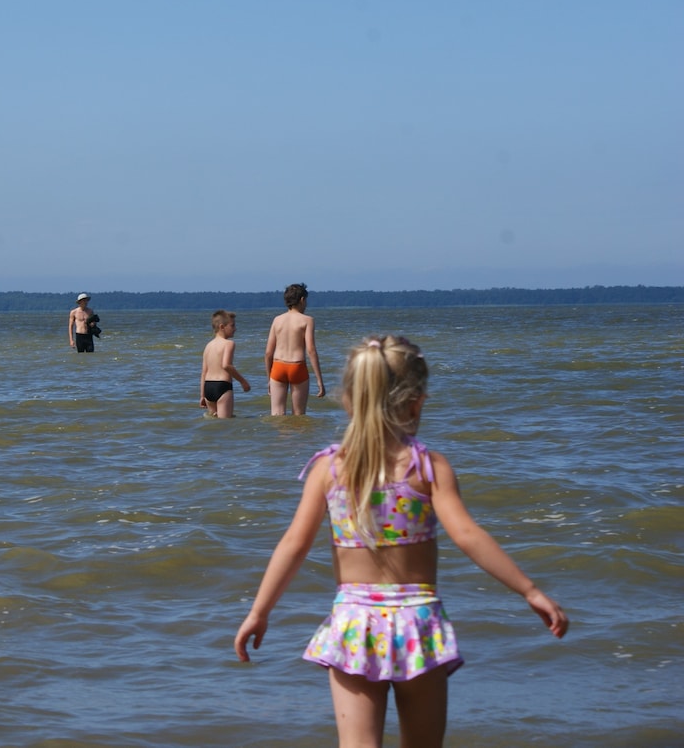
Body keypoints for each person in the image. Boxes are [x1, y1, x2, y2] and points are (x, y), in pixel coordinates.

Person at [234, 335, 569, 747]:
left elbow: (294, 544)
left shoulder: (329, 469)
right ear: (416, 402)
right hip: (418, 622)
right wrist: (530, 590)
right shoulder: (427, 467)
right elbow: (467, 535)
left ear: (348, 400)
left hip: (355, 622)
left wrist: (259, 611)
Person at [265, 282, 325, 415]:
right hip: (297, 367)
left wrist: (269, 378)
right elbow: (311, 350)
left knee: (276, 414)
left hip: (278, 367)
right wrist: (319, 381)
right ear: (302, 300)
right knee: (298, 415)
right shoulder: (307, 320)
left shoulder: (277, 320)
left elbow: (268, 352)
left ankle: (281, 436)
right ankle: (296, 436)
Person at [199, 310, 251, 418]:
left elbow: (204, 372)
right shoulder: (229, 344)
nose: (235, 329)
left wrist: (202, 395)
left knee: (213, 422)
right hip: (222, 386)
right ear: (222, 327)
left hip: (208, 387)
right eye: (232, 325)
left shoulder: (208, 346)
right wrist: (243, 382)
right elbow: (226, 365)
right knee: (225, 423)